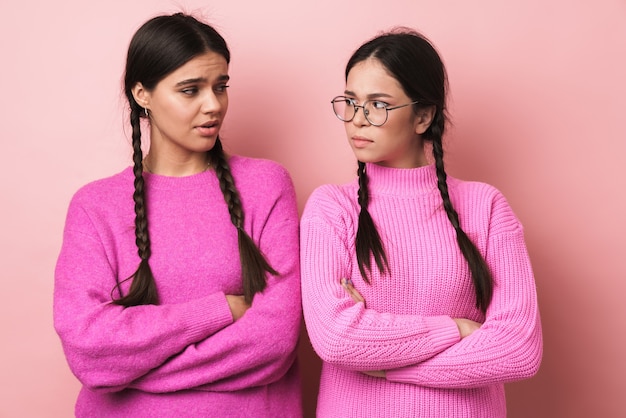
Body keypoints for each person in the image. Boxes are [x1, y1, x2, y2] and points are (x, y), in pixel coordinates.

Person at [53, 13, 302, 417]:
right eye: (190, 90)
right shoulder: (95, 207)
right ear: (142, 94)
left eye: (221, 87)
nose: (213, 105)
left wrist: (129, 369)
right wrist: (218, 310)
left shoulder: (265, 186)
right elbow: (88, 349)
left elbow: (274, 341)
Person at [300, 28, 542, 417]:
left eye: (378, 105)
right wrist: (457, 330)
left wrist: (384, 364)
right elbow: (335, 338)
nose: (356, 120)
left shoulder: (485, 206)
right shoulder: (332, 208)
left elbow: (518, 349)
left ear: (423, 116)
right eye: (350, 102)